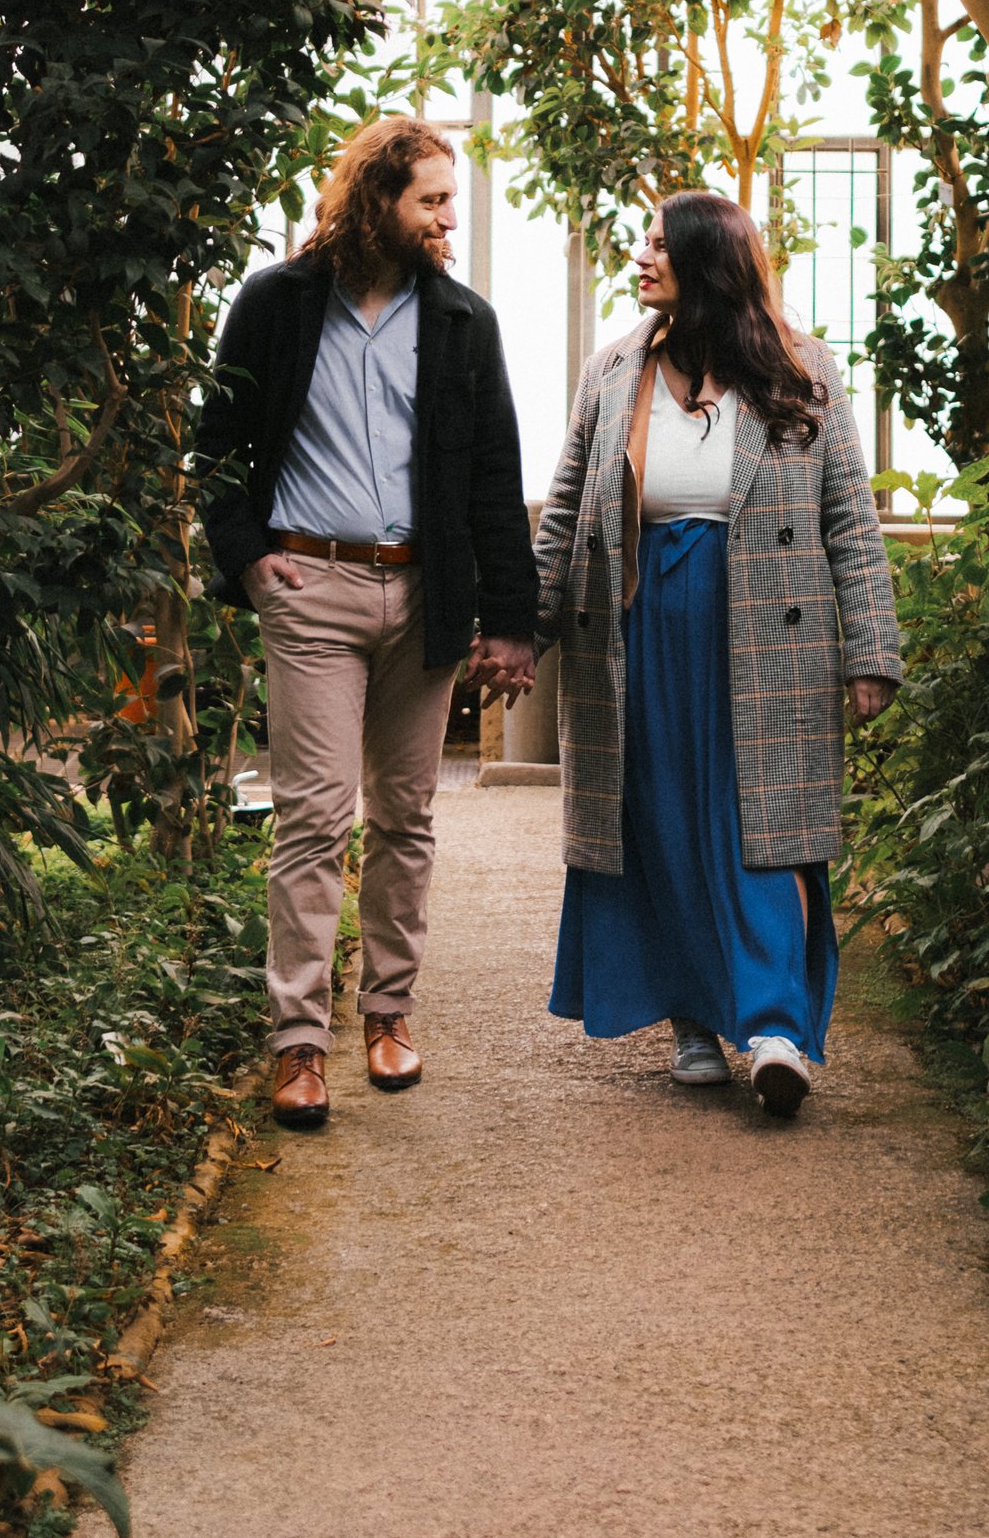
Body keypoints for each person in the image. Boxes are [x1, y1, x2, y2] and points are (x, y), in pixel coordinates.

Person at [199, 115, 537, 1133]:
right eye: (431, 200)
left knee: (407, 816)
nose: (447, 220)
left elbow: (495, 473)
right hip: (310, 587)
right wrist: (248, 558)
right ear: (376, 199)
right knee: (313, 817)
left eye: (449, 201)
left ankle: (388, 1012)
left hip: (425, 594)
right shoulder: (276, 302)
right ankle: (298, 1042)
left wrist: (509, 620)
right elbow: (216, 441)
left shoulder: (463, 321)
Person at [534, 189, 901, 1120]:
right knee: (658, 818)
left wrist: (870, 649)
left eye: (660, 245)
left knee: (762, 825)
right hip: (638, 624)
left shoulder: (802, 368)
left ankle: (776, 1030)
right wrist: (520, 633)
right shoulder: (613, 371)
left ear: (706, 261)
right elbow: (566, 511)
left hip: (769, 627)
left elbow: (850, 520)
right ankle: (693, 1023)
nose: (642, 257)